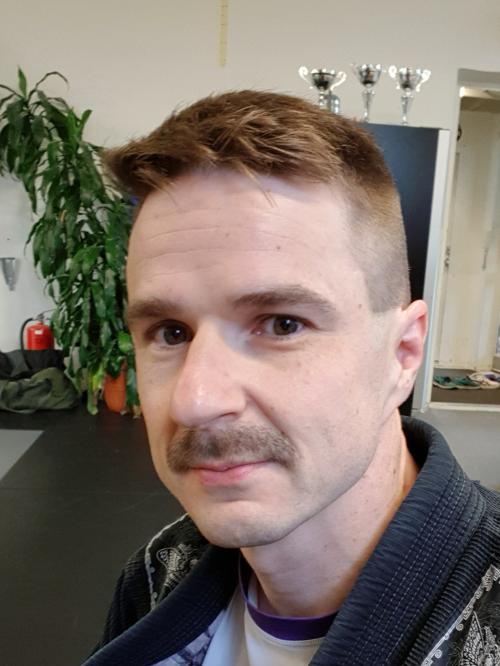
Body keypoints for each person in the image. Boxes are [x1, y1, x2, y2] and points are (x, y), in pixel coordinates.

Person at [85, 91, 500, 665]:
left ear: (403, 353)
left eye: (282, 324)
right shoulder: (158, 576)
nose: (196, 400)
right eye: (171, 333)